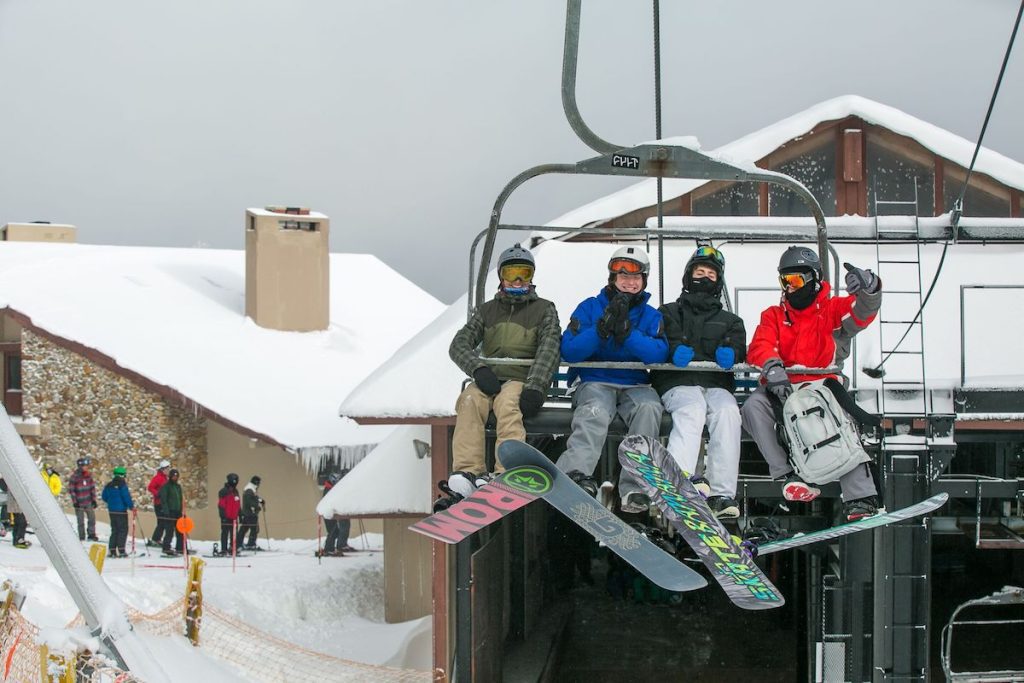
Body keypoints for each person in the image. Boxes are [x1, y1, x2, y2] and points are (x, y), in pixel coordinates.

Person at [740, 246, 883, 521]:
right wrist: (772, 367)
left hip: (820, 384)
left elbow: (861, 313)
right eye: (785, 281)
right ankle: (787, 475)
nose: (790, 288)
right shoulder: (774, 315)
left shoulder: (831, 310)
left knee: (838, 423)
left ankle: (860, 497)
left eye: (796, 280)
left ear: (814, 278)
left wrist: (869, 288)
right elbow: (761, 344)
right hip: (782, 385)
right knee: (753, 407)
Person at [557, 246, 669, 513]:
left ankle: (635, 485)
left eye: (636, 277)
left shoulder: (651, 315)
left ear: (643, 280)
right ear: (612, 278)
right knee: (594, 413)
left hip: (635, 384)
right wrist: (600, 330)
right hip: (596, 379)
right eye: (623, 276)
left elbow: (658, 353)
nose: (629, 282)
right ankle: (576, 474)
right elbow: (570, 350)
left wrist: (628, 334)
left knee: (649, 408)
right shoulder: (590, 307)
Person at [447, 243, 561, 498]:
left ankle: (506, 470)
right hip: (490, 378)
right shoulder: (488, 310)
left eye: (525, 274)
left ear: (532, 277)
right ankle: (468, 470)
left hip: (520, 378)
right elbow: (459, 344)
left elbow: (549, 350)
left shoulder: (544, 309)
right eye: (511, 273)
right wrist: (477, 369)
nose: (518, 280)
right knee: (469, 400)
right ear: (501, 276)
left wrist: (535, 387)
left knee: (508, 404)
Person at [651, 246, 746, 519]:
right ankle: (678, 480)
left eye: (710, 275)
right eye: (699, 272)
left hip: (715, 384)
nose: (704, 278)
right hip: (677, 382)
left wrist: (732, 353)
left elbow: (739, 344)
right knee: (692, 408)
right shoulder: (669, 312)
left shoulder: (730, 320)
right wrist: (673, 351)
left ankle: (721, 493)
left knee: (728, 413)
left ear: (718, 282)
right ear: (688, 276)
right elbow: (662, 339)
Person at [101, 466, 134, 557]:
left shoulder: (109, 485)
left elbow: (104, 497)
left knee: (114, 530)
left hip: (112, 511)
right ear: (123, 475)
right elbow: (126, 497)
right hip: (121, 511)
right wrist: (131, 506)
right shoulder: (122, 485)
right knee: (122, 530)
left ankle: (112, 551)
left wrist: (111, 503)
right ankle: (121, 550)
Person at [67, 457, 100, 541]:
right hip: (79, 502)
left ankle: (91, 534)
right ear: (80, 466)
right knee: (80, 521)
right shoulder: (74, 477)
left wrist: (93, 500)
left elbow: (92, 488)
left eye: (87, 466)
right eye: (84, 466)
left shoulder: (88, 476)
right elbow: (72, 490)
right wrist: (75, 501)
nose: (86, 467)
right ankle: (82, 536)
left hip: (88, 501)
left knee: (92, 518)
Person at [157, 468, 185, 555]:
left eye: (176, 476)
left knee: (180, 531)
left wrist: (181, 511)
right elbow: (163, 500)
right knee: (169, 531)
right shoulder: (166, 486)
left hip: (177, 511)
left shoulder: (178, 487)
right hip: (169, 512)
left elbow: (180, 499)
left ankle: (180, 548)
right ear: (170, 476)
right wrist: (166, 511)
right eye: (173, 476)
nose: (175, 478)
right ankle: (166, 547)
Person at [318, 471, 345, 557]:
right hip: (328, 514)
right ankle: (328, 548)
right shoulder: (328, 489)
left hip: (330, 514)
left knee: (334, 531)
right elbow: (330, 502)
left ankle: (329, 548)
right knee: (333, 531)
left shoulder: (330, 488)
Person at [147, 460, 171, 549]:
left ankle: (157, 538)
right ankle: (155, 539)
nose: (169, 470)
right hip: (159, 503)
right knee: (162, 522)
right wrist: (157, 494)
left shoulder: (166, 478)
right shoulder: (158, 478)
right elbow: (150, 487)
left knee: (163, 522)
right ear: (163, 469)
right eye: (167, 468)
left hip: (164, 504)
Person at [216, 473, 241, 556]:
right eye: (234, 480)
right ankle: (224, 549)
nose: (235, 482)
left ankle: (233, 548)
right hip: (226, 517)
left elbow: (238, 504)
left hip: (234, 517)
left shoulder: (236, 491)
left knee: (234, 534)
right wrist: (223, 516)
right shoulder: (223, 491)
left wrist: (240, 514)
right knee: (225, 533)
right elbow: (221, 505)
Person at [239, 475, 264, 551]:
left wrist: (260, 500)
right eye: (258, 483)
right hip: (250, 513)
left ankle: (238, 543)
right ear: (256, 482)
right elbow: (249, 501)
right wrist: (256, 507)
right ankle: (251, 544)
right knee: (254, 529)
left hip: (247, 513)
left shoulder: (250, 488)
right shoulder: (250, 490)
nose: (259, 484)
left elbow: (254, 498)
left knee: (243, 529)